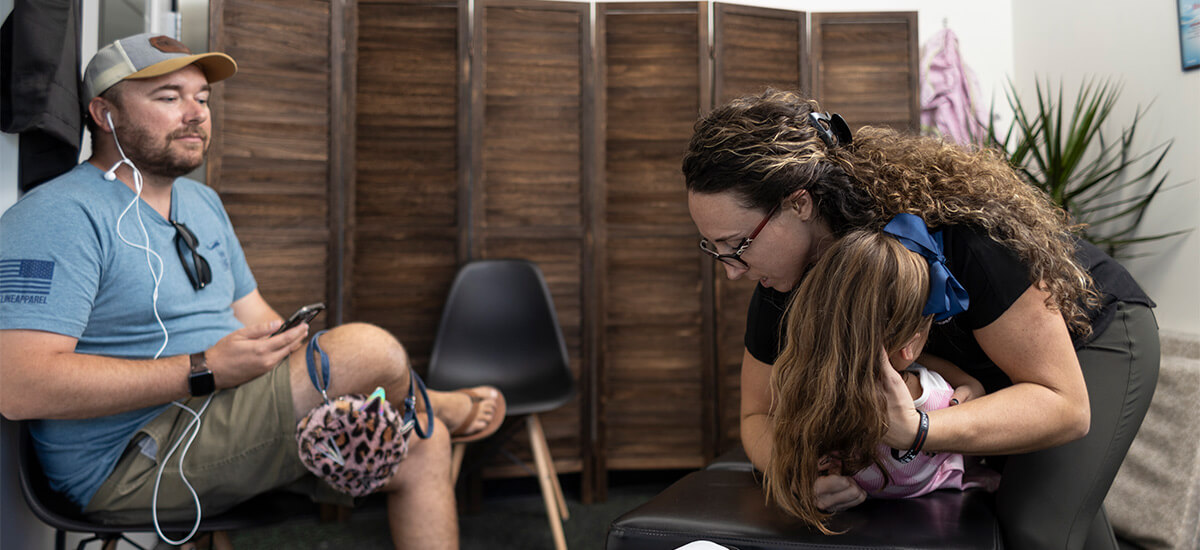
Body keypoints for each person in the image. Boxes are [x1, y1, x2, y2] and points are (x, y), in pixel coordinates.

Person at [0, 34, 504, 550]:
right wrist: (205, 369)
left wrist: (297, 361)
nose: (195, 113)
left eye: (203, 98)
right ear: (105, 114)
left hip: (223, 407)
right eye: (169, 97)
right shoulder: (57, 217)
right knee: (371, 351)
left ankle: (425, 414)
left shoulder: (202, 203)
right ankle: (435, 403)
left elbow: (255, 316)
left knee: (420, 442)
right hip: (130, 460)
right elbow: (19, 387)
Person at [683, 89, 1159, 549]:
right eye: (715, 250)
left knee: (1036, 526)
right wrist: (798, 473)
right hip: (986, 366)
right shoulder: (779, 279)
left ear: (799, 203)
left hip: (1089, 335)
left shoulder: (963, 236)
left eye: (738, 244)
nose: (731, 272)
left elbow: (1064, 406)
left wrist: (918, 431)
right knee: (1066, 509)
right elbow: (757, 413)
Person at [764, 225, 999, 535]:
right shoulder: (940, 401)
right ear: (912, 344)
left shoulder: (802, 389)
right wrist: (972, 385)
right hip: (943, 495)